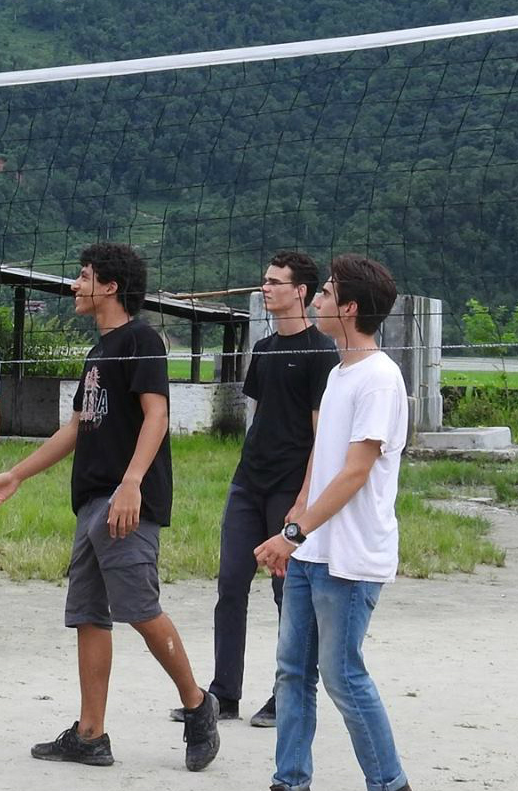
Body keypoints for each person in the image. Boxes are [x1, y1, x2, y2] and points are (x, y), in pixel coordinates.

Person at [0, 243, 221, 772]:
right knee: (89, 615)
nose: (74, 285)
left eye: (83, 277)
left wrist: (131, 484)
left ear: (109, 286)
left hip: (125, 502)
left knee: (140, 609)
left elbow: (157, 417)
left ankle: (199, 704)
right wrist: (16, 473)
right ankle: (90, 735)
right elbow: (74, 429)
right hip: (90, 502)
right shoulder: (97, 352)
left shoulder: (141, 340)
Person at [254, 253, 413, 791]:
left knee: (342, 676)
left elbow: (353, 475)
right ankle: (289, 780)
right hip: (310, 551)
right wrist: (293, 525)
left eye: (324, 292)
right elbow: (321, 465)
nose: (315, 299)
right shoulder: (339, 372)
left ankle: (390, 783)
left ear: (347, 308)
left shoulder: (380, 378)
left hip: (349, 558)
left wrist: (294, 533)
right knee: (292, 673)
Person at [175, 251, 337, 729]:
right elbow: (259, 417)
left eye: (275, 282)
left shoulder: (320, 351)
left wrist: (302, 501)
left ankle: (285, 696)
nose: (266, 289)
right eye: (264, 281)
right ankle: (223, 694)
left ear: (300, 292)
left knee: (287, 592)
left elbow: (321, 436)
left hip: (289, 488)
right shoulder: (263, 348)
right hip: (248, 481)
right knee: (230, 585)